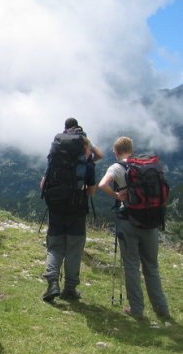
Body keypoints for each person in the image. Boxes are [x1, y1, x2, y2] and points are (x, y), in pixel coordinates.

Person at [98, 136, 171, 320]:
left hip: (129, 220)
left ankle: (136, 310)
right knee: (152, 267)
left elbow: (102, 185)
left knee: (131, 266)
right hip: (151, 221)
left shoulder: (116, 167)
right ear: (131, 149)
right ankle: (162, 310)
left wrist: (116, 195)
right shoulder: (147, 166)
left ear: (116, 151)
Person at [40, 136, 96, 302]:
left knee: (55, 246)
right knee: (74, 248)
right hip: (77, 211)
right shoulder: (87, 166)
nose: (90, 152)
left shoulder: (54, 161)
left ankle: (52, 283)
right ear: (83, 149)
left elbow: (43, 185)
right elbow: (91, 191)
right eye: (88, 149)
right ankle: (70, 289)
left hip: (56, 208)